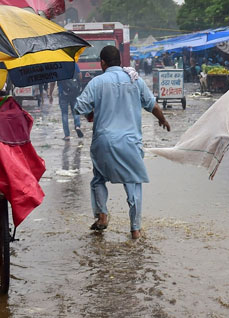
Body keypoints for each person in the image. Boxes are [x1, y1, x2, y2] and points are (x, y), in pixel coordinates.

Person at [74, 45, 171, 239]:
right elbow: (152, 105)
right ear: (120, 61)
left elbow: (79, 107)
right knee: (133, 183)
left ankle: (102, 215)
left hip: (103, 141)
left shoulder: (97, 82)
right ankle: (135, 229)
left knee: (98, 179)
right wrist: (162, 119)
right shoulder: (135, 80)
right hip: (129, 142)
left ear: (102, 63)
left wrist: (91, 112)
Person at [57, 65, 83, 141]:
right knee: (75, 111)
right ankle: (77, 126)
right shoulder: (73, 63)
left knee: (64, 114)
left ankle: (67, 135)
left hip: (63, 93)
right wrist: (77, 83)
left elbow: (53, 81)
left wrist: (50, 93)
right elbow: (80, 75)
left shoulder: (58, 66)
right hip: (74, 91)